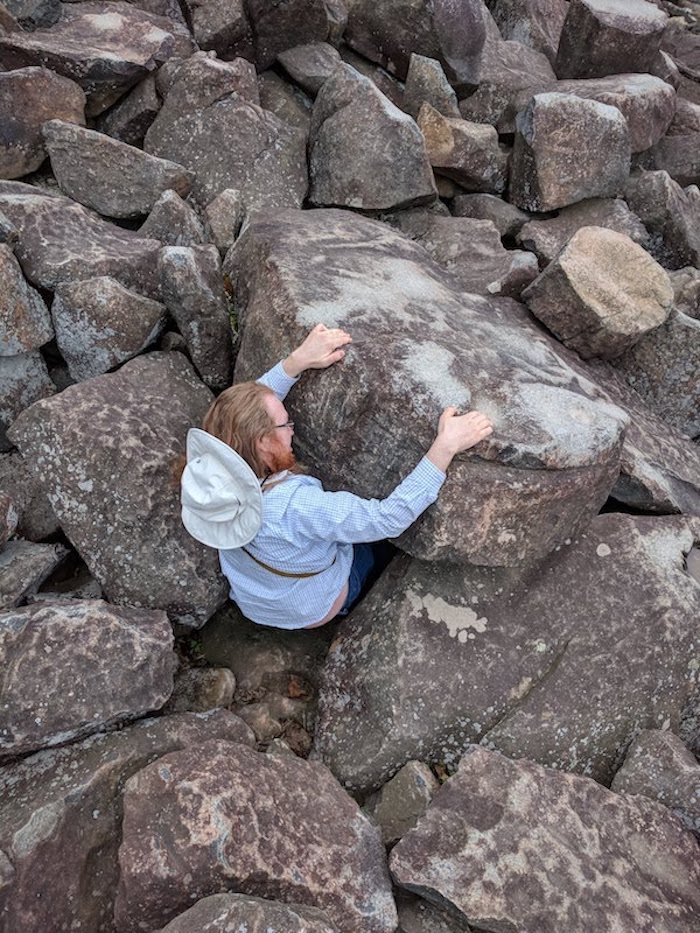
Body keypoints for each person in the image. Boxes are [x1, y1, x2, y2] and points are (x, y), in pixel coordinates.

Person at [181, 324, 494, 630]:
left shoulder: (212, 466)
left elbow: (246, 412)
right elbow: (388, 519)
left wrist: (297, 361)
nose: (293, 430)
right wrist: (445, 446)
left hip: (255, 600)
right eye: (285, 425)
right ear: (261, 441)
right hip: (311, 608)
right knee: (388, 547)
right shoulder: (296, 507)